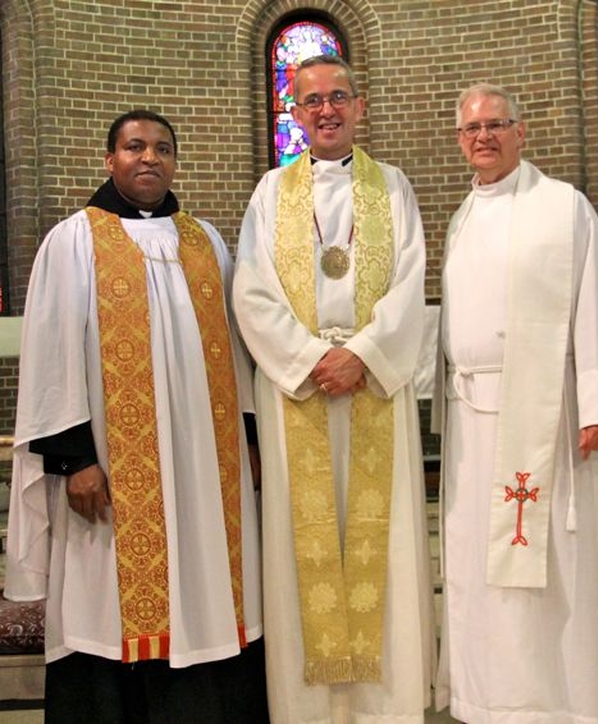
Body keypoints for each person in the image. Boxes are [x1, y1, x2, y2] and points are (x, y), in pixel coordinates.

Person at [4, 109, 269, 723]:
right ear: (110, 159)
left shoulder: (206, 241)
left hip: (208, 470)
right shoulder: (73, 240)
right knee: (107, 604)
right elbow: (51, 356)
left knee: (210, 591)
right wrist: (75, 460)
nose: (150, 158)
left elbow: (237, 351)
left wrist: (250, 439)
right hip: (111, 476)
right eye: (135, 146)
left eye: (163, 148)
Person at [232, 55, 435, 723]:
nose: (326, 110)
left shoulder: (394, 187)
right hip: (302, 395)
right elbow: (253, 292)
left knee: (389, 548)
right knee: (303, 551)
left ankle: (388, 706)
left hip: (375, 388)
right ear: (294, 114)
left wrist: (366, 354)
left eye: (337, 97)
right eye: (311, 101)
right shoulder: (270, 193)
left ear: (360, 105)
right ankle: (308, 711)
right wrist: (313, 358)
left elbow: (411, 283)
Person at [433, 82, 598, 723]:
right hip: (473, 418)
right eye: (472, 129)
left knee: (552, 569)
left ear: (521, 133)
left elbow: (593, 298)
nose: (484, 137)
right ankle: (493, 700)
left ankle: (565, 703)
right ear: (460, 141)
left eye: (497, 124)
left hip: (546, 416)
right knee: (480, 572)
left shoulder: (562, 207)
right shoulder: (461, 216)